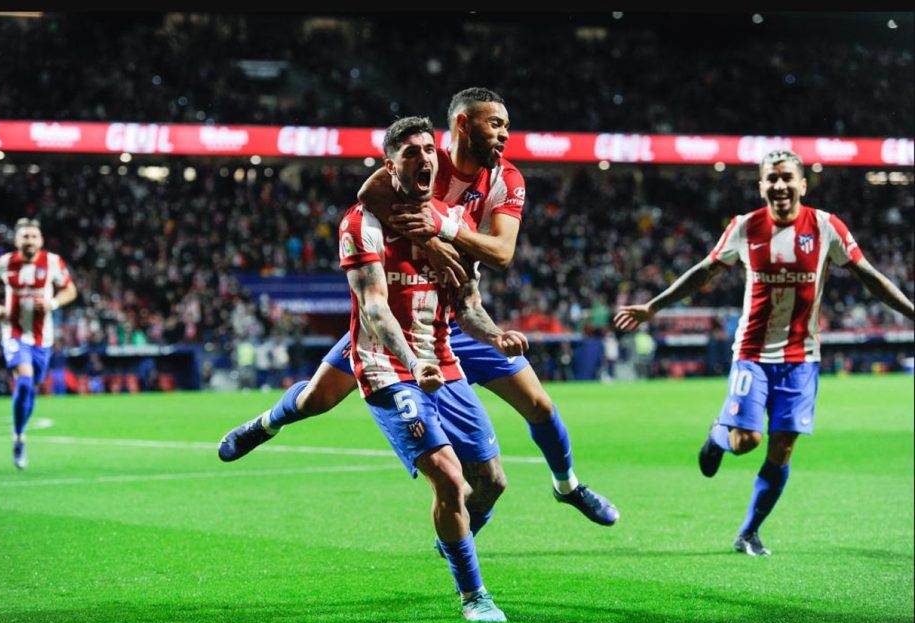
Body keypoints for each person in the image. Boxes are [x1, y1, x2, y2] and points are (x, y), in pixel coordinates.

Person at [219, 87, 618, 527]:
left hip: (462, 319)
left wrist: (443, 227)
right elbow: (368, 193)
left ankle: (567, 487)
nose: (505, 135)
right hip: (404, 319)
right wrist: (429, 242)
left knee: (539, 405)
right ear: (463, 125)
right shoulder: (426, 159)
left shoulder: (506, 179)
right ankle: (266, 424)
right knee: (318, 397)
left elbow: (502, 253)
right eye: (495, 124)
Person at [244, 117, 524, 622]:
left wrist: (495, 334)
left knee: (492, 481)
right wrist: (413, 362)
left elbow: (467, 304)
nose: (423, 158)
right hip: (384, 363)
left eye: (428, 150)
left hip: (441, 357)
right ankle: (473, 595)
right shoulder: (361, 222)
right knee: (445, 474)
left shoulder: (449, 222)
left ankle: (455, 538)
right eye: (410, 152)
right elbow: (374, 309)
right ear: (390, 163)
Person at [613, 150, 915, 557]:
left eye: (787, 177)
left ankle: (749, 532)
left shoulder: (826, 227)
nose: (779, 185)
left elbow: (870, 277)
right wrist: (654, 306)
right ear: (761, 186)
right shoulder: (745, 226)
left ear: (802, 184)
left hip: (802, 358)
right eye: (771, 179)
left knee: (783, 448)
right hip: (753, 353)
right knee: (747, 440)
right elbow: (704, 270)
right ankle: (719, 435)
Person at [0, 218, 78, 469]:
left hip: (43, 338)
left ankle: (20, 431)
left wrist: (52, 303)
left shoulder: (53, 262)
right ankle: (19, 436)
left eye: (33, 236)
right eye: (25, 236)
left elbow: (70, 290)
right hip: (14, 333)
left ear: (40, 240)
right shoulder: (3, 263)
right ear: (17, 240)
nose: (29, 240)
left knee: (32, 388)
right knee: (25, 380)